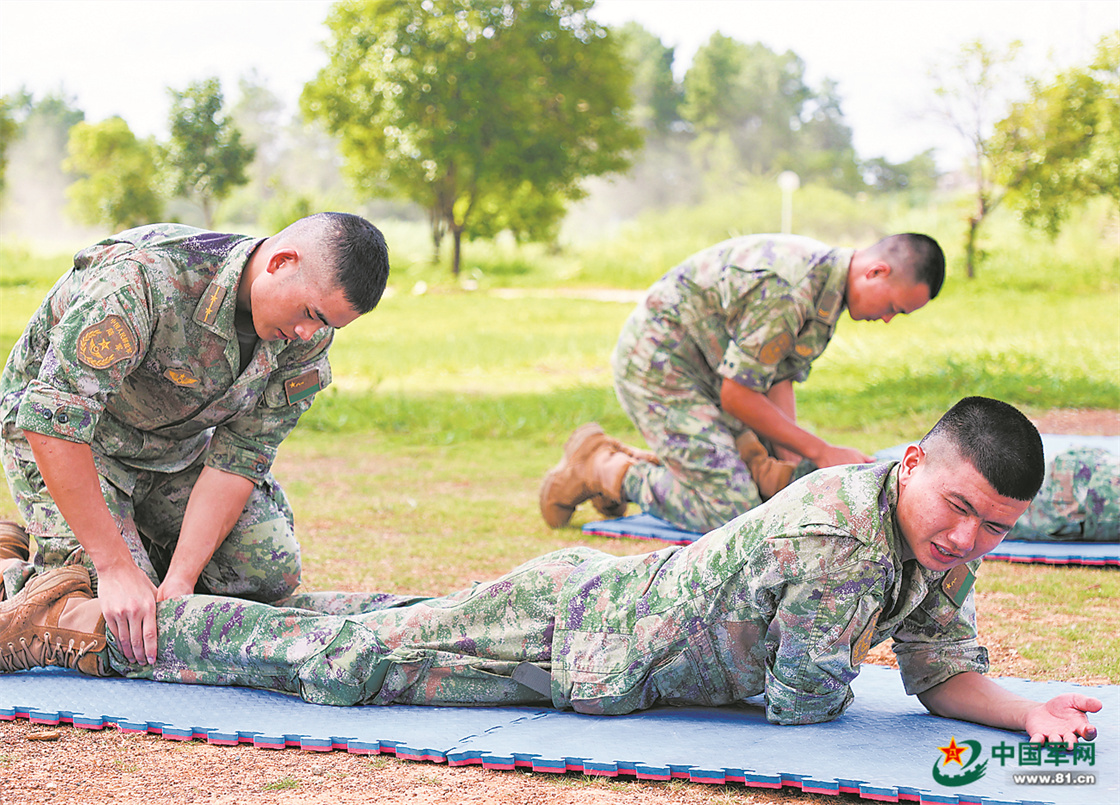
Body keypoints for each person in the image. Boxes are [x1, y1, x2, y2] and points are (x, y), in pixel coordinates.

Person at [0, 397, 1101, 746]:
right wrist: (911, 650)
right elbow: (806, 702)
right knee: (346, 666)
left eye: (995, 529)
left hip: (591, 616)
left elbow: (937, 666)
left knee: (386, 623)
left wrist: (1020, 709)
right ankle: (69, 623)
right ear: (912, 466)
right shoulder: (838, 537)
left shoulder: (927, 537)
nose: (968, 541)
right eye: (958, 508)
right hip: (572, 633)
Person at [0, 212, 390, 670]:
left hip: (172, 451)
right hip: (76, 446)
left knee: (262, 574)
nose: (311, 333)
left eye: (329, 326)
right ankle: (20, 568)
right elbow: (53, 423)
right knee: (123, 628)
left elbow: (241, 457)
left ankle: (125, 552)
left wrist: (182, 581)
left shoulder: (305, 338)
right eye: (311, 314)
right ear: (282, 261)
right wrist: (115, 567)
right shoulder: (144, 278)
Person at [540, 232, 945, 533]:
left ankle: (688, 466)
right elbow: (738, 395)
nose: (889, 319)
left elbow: (777, 378)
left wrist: (792, 463)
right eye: (893, 306)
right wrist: (820, 451)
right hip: (662, 370)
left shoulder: (827, 290)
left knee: (773, 489)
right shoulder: (791, 289)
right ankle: (603, 468)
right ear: (876, 272)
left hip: (713, 373)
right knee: (732, 517)